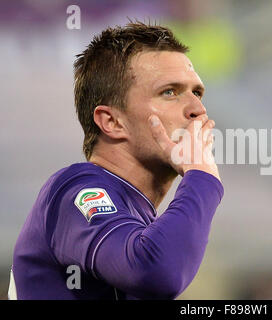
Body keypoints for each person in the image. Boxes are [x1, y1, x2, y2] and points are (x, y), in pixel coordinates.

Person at [9, 21, 223, 300]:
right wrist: (202, 176)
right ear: (111, 121)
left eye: (197, 92)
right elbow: (156, 272)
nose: (198, 109)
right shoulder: (76, 189)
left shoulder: (137, 218)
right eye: (169, 92)